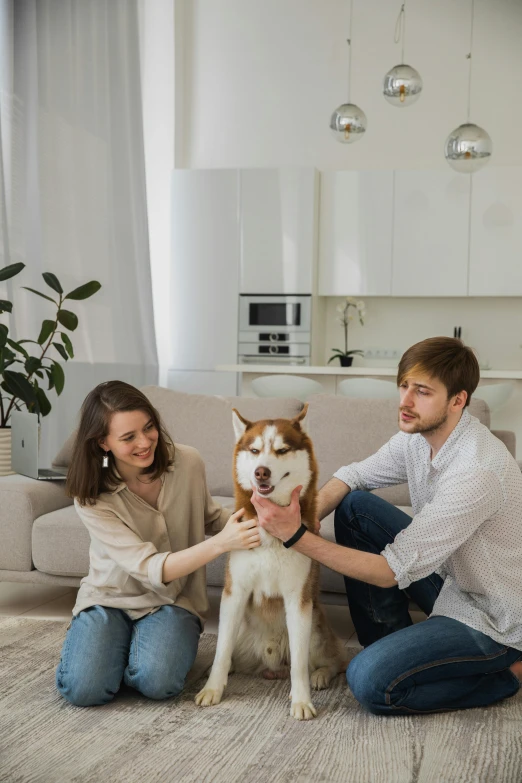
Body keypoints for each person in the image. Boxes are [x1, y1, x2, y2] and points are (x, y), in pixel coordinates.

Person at [251, 337, 522, 715]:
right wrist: (306, 518)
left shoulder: (477, 470)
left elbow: (388, 573)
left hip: (494, 617)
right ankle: (393, 646)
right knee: (355, 507)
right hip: (451, 582)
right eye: (404, 386)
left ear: (457, 400)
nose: (405, 401)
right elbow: (354, 474)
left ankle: (506, 672)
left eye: (422, 392)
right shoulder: (418, 438)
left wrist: (294, 537)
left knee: (368, 682)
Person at [56, 381, 260, 707]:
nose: (145, 442)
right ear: (103, 443)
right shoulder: (91, 495)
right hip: (110, 599)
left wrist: (262, 521)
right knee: (84, 690)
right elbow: (150, 567)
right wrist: (222, 544)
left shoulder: (188, 462)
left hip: (174, 600)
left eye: (148, 427)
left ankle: (126, 653)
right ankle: (103, 643)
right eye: (128, 437)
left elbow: (210, 517)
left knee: (159, 682)